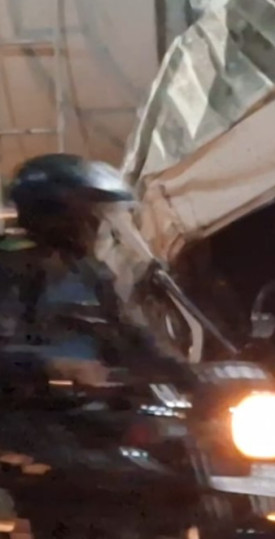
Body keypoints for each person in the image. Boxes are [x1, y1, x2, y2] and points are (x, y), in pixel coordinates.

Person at [0, 153, 193, 389]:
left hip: (97, 412)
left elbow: (134, 338)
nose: (95, 225)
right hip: (27, 413)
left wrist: (194, 376)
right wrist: (52, 366)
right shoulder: (10, 271)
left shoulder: (90, 275)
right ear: (55, 215)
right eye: (88, 214)